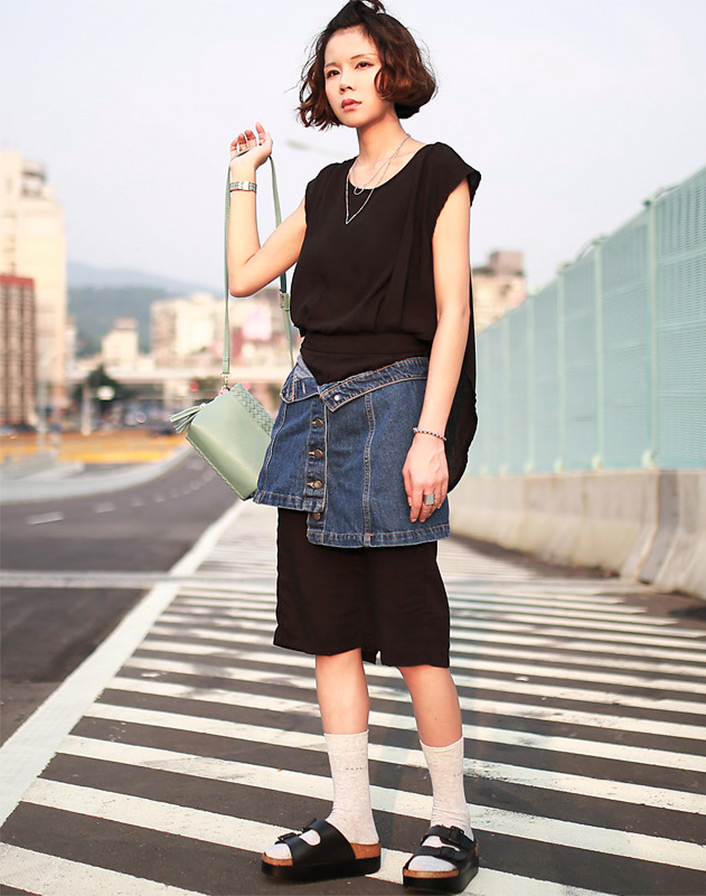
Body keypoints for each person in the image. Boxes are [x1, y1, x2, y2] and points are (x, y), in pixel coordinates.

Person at [226, 1, 480, 891]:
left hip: (394, 410)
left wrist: (430, 435)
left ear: (395, 71)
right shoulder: (324, 188)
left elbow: (453, 313)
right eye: (332, 70)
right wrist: (242, 179)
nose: (344, 83)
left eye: (361, 65)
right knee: (329, 635)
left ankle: (452, 823)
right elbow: (244, 276)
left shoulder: (437, 172)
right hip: (310, 415)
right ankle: (353, 823)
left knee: (413, 636)